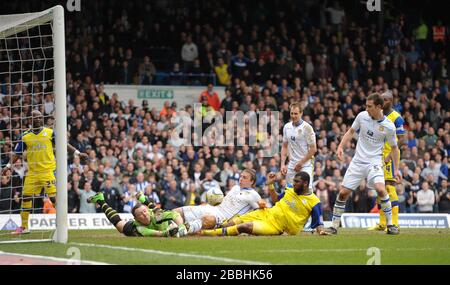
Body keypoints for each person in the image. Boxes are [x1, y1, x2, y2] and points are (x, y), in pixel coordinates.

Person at [2, 110, 88, 235]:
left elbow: (64, 144)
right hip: (32, 173)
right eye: (35, 117)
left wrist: (78, 153)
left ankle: (63, 225)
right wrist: (8, 166)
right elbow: (17, 154)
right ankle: (24, 227)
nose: (38, 119)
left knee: (54, 198)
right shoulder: (25, 136)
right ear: (30, 120)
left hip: (47, 171)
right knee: (25, 197)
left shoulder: (49, 132)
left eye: (40, 117)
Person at [326, 93, 401, 235]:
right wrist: (341, 146)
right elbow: (351, 131)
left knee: (380, 188)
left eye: (369, 106)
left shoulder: (389, 126)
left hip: (374, 162)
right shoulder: (362, 116)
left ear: (379, 107)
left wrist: (396, 170)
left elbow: (394, 148)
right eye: (366, 106)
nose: (366, 109)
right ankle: (334, 226)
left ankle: (391, 225)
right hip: (358, 161)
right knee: (343, 193)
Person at [201, 172, 329, 236]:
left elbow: (319, 223)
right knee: (234, 221)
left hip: (277, 227)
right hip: (267, 213)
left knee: (244, 227)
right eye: (294, 181)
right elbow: (276, 200)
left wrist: (322, 231)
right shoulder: (290, 190)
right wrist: (270, 184)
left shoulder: (314, 201)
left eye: (297, 182)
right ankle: (204, 228)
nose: (294, 183)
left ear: (305, 184)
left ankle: (207, 234)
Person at [170, 169, 263, 235]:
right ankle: (172, 228)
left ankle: (184, 230)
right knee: (175, 212)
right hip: (212, 208)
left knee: (207, 219)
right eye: (241, 176)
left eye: (245, 177)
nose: (241, 179)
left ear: (252, 182)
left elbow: (259, 212)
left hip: (222, 218)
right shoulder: (235, 187)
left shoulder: (253, 195)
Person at [368, 91, 406, 231]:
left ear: (390, 101)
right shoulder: (378, 116)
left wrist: (390, 155)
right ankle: (382, 222)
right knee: (380, 189)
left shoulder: (396, 117)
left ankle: (394, 222)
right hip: (377, 155)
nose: (382, 102)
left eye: (385, 99)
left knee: (390, 187)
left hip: (389, 155)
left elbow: (402, 139)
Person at [87, 192, 186, 237]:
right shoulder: (138, 227)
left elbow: (175, 215)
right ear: (136, 219)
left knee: (157, 212)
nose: (145, 215)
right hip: (135, 229)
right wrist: (167, 233)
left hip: (156, 216)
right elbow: (157, 234)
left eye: (145, 212)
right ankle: (101, 201)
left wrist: (181, 226)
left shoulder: (155, 214)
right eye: (140, 215)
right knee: (119, 225)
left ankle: (144, 200)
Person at [280, 102, 317, 190]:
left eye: (296, 113)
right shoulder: (286, 127)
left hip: (306, 164)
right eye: (292, 113)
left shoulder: (307, 128)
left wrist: (300, 163)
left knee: (306, 191)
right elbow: (284, 146)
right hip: (292, 164)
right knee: (289, 191)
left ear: (301, 113)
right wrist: (282, 164)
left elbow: (313, 150)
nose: (293, 116)